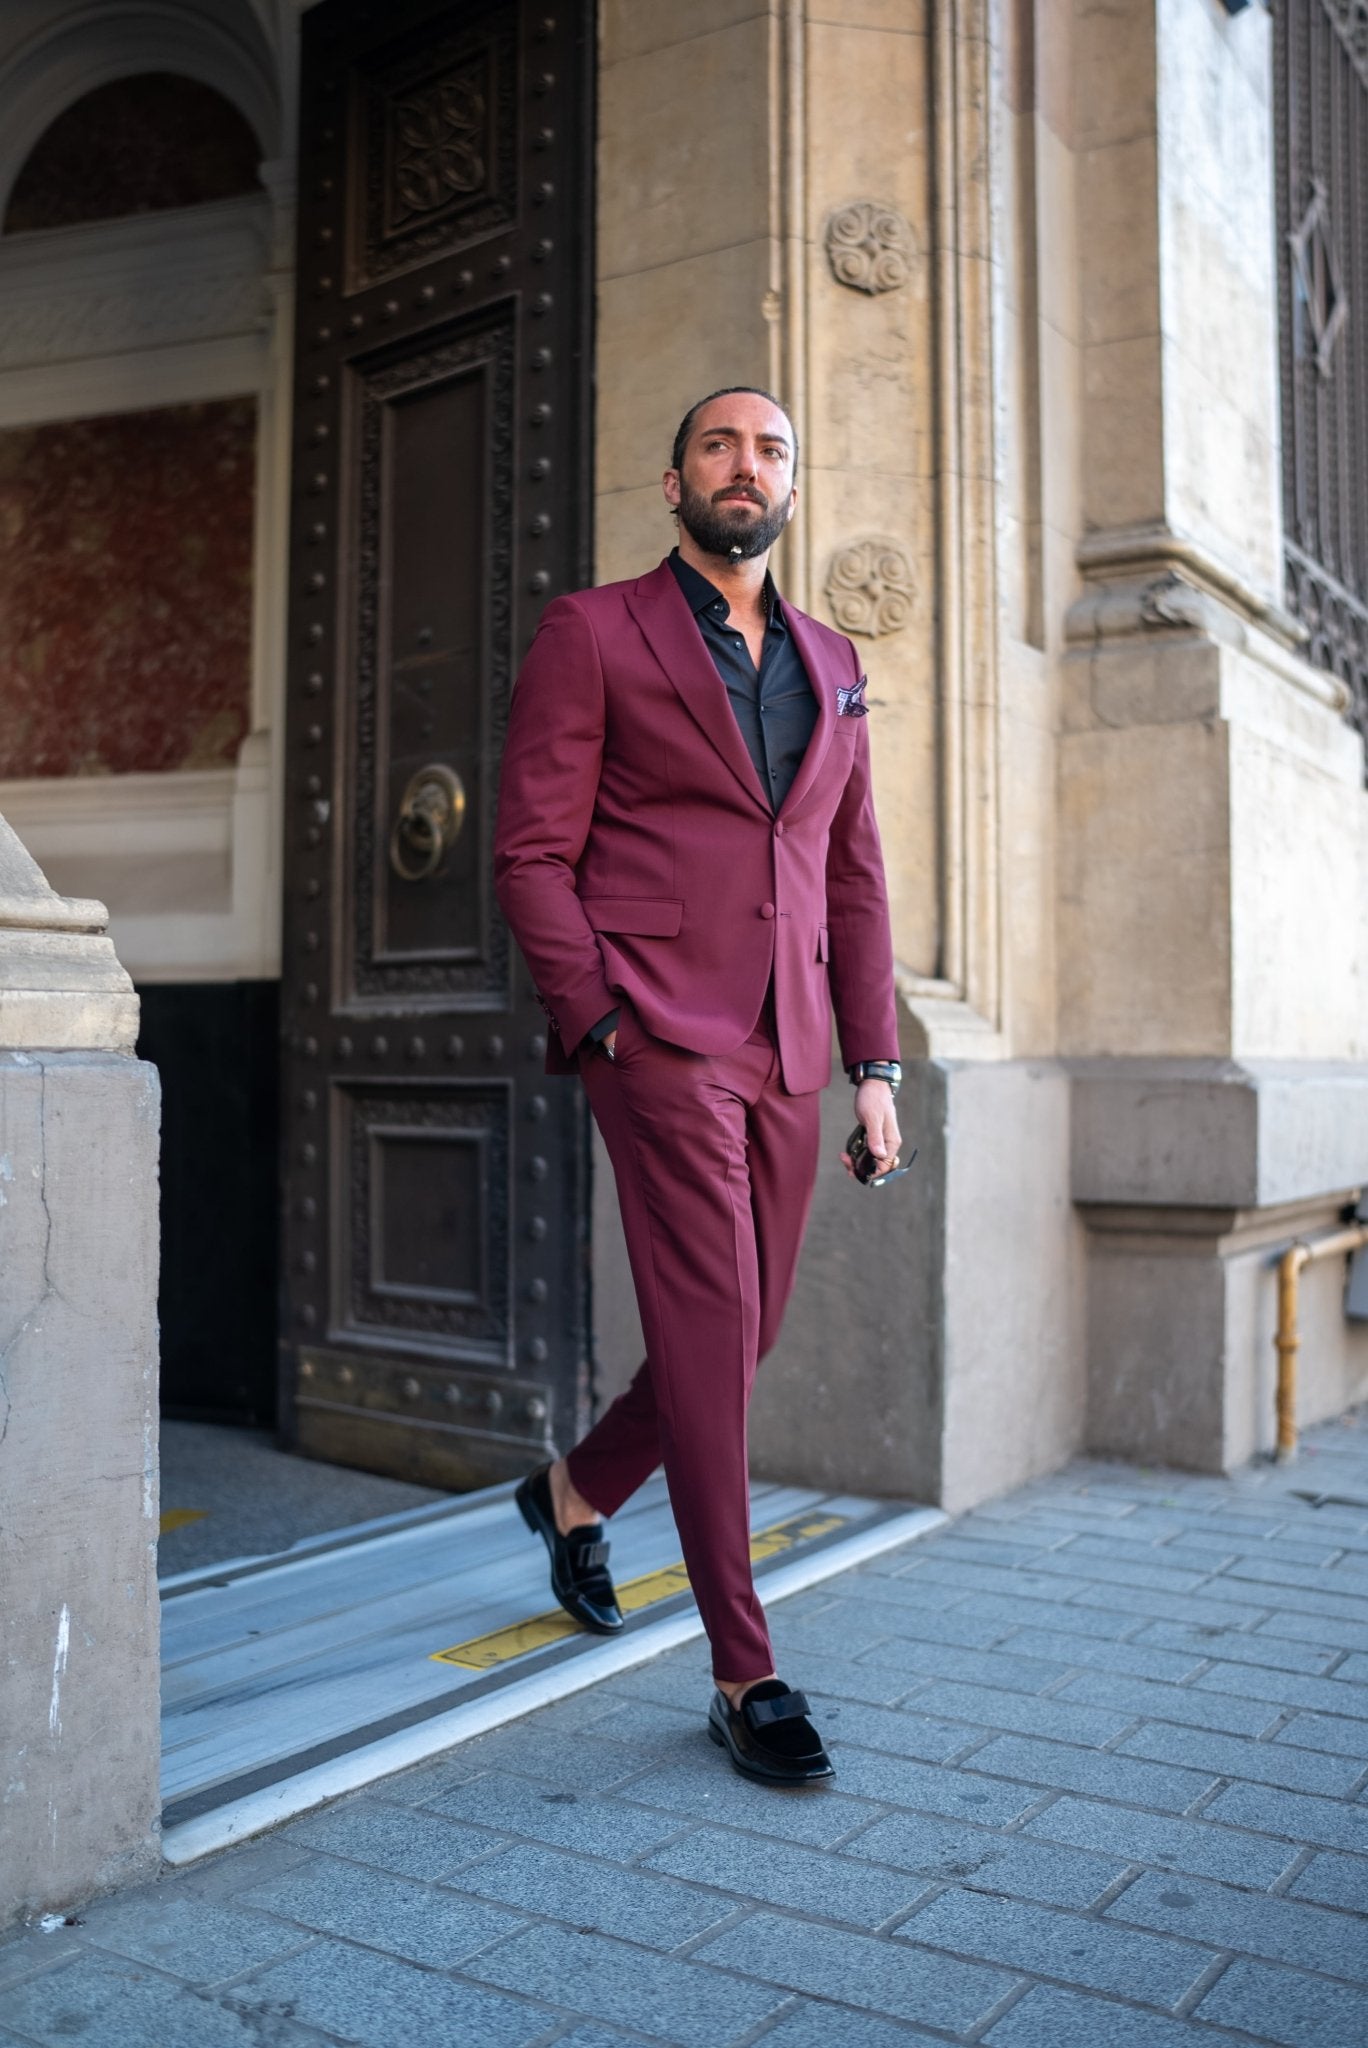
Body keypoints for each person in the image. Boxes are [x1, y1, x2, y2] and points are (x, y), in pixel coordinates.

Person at [494, 386, 901, 1783]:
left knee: (747, 1329)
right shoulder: (594, 631)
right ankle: (746, 1667)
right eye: (721, 445)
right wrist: (598, 1018)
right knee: (720, 1328)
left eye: (773, 447)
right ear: (674, 483)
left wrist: (876, 1064)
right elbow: (530, 852)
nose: (748, 465)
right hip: (656, 1031)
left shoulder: (834, 659)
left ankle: (575, 1490)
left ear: (794, 485)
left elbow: (852, 875)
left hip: (790, 1042)